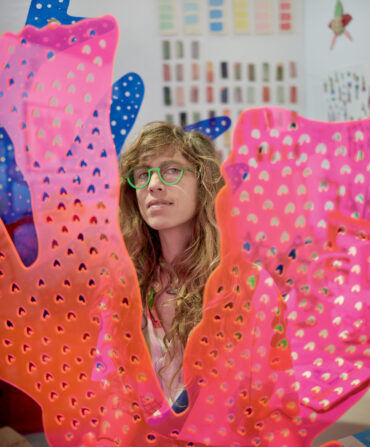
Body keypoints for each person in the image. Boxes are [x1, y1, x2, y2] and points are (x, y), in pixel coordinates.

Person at [119, 121, 224, 411]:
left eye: (172, 170)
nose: (154, 184)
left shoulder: (234, 281)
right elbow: (110, 390)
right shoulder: (129, 284)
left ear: (203, 183)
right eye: (142, 174)